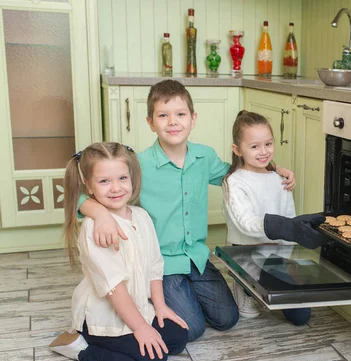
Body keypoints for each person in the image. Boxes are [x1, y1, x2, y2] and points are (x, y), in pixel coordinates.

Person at [77, 80, 319, 341]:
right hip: (163, 264)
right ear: (150, 122)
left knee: (228, 320)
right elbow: (84, 194)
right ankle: (153, 297)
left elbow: (240, 173)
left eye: (180, 114)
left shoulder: (205, 157)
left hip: (197, 259)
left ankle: (188, 296)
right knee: (192, 329)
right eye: (163, 115)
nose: (173, 122)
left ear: (193, 119)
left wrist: (274, 169)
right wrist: (99, 213)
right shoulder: (139, 164)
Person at [50, 142, 189, 361]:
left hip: (137, 306)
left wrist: (161, 307)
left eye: (122, 178)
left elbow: (155, 265)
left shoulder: (142, 216)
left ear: (132, 178)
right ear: (89, 186)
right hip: (105, 316)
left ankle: (139, 326)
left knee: (178, 337)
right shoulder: (95, 228)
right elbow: (114, 288)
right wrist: (141, 328)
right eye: (104, 181)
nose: (115, 188)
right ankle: (82, 347)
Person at [222, 110, 325, 324]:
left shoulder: (280, 179)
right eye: (254, 146)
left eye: (268, 144)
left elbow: (290, 219)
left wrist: (288, 262)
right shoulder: (234, 182)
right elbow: (246, 225)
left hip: (275, 255)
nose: (263, 152)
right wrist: (283, 228)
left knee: (301, 317)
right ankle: (243, 284)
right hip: (246, 253)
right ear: (237, 150)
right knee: (250, 313)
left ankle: (265, 282)